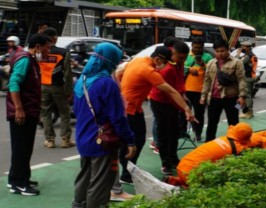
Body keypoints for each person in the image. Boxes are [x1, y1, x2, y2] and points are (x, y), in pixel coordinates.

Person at [72, 42, 137, 208]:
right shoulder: (107, 83)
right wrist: (130, 140)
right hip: (101, 139)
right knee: (100, 182)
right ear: (110, 60)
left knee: (84, 175)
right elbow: (117, 118)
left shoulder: (82, 79)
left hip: (82, 136)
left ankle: (78, 204)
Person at [119, 46, 195, 183]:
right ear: (158, 59)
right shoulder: (149, 71)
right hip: (129, 109)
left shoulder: (137, 61)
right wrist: (186, 109)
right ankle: (126, 171)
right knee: (136, 140)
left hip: (132, 107)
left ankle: (128, 167)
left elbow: (119, 73)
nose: (165, 66)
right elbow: (171, 91)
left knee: (134, 139)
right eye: (165, 63)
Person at [6, 34, 51, 196]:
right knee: (21, 149)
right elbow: (13, 83)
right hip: (22, 113)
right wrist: (19, 108)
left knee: (24, 148)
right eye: (47, 47)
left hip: (29, 111)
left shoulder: (30, 60)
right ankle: (18, 183)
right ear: (38, 46)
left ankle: (19, 177)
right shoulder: (25, 60)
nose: (48, 50)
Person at [164, 122, 266, 187]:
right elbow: (262, 140)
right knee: (217, 183)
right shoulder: (239, 148)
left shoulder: (223, 138)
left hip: (182, 165)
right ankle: (185, 185)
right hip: (192, 174)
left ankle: (176, 180)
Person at [150, 40, 190, 175]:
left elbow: (179, 83)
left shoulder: (178, 64)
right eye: (180, 57)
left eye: (185, 58)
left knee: (174, 133)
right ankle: (165, 163)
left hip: (174, 100)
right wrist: (183, 107)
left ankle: (173, 158)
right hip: (161, 102)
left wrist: (183, 95)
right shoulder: (167, 69)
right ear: (173, 53)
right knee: (164, 134)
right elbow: (168, 93)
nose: (182, 60)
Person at [200, 39, 247, 142]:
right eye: (217, 51)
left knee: (233, 123)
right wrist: (203, 95)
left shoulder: (237, 63)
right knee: (212, 123)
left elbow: (242, 80)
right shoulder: (211, 63)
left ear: (228, 50)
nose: (220, 54)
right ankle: (209, 145)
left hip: (231, 98)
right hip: (213, 99)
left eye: (222, 51)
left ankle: (235, 145)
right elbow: (207, 80)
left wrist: (242, 96)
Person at [39, 27, 74, 148]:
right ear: (54, 38)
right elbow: (67, 73)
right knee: (64, 112)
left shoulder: (40, 52)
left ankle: (50, 140)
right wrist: (69, 91)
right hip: (57, 87)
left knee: (46, 113)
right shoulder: (63, 52)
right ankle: (65, 139)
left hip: (43, 86)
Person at [184, 37, 213, 141]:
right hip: (186, 90)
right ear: (192, 46)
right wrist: (189, 69)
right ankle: (183, 133)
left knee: (199, 114)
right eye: (195, 47)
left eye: (199, 48)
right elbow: (179, 67)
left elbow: (212, 72)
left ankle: (198, 133)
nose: (197, 50)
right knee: (184, 112)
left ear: (203, 47)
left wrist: (203, 66)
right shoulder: (186, 55)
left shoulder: (208, 57)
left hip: (201, 91)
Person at [236, 41, 258, 119]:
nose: (242, 48)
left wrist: (238, 54)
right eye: (241, 46)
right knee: (243, 94)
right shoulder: (248, 55)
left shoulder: (249, 55)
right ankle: (243, 111)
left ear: (248, 47)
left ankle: (249, 112)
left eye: (243, 47)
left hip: (248, 77)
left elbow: (238, 62)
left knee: (247, 95)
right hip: (247, 77)